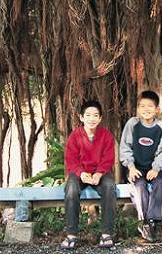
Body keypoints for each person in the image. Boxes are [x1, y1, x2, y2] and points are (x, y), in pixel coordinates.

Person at [62, 99, 116, 250]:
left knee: (109, 187)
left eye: (95, 115)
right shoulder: (75, 136)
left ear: (100, 118)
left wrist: (99, 173)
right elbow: (71, 159)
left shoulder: (106, 136)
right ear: (81, 117)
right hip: (80, 173)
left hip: (100, 172)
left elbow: (108, 158)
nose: (91, 119)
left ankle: (107, 234)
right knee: (71, 189)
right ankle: (71, 234)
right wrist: (81, 173)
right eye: (88, 115)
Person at [119, 90, 162, 242]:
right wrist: (131, 167)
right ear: (138, 109)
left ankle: (151, 222)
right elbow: (125, 147)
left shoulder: (161, 127)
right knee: (140, 187)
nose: (146, 109)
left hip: (154, 169)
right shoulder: (132, 124)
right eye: (142, 106)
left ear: (157, 109)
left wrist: (156, 168)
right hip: (136, 168)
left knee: (160, 184)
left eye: (150, 106)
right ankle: (145, 221)